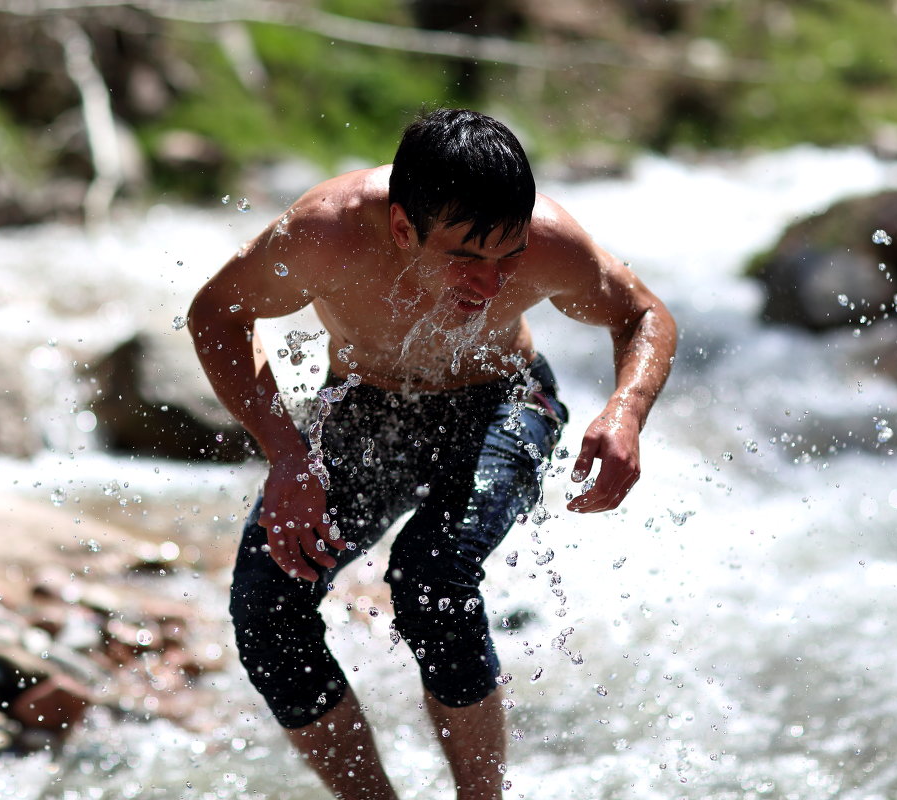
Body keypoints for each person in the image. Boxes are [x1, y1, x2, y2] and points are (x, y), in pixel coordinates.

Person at [188, 108, 676, 799]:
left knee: (431, 580)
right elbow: (217, 313)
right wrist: (288, 457)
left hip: (502, 401)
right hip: (366, 403)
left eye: (507, 259)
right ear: (401, 227)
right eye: (466, 260)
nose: (490, 285)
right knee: (267, 612)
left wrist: (625, 413)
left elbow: (644, 315)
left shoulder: (550, 239)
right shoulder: (324, 231)